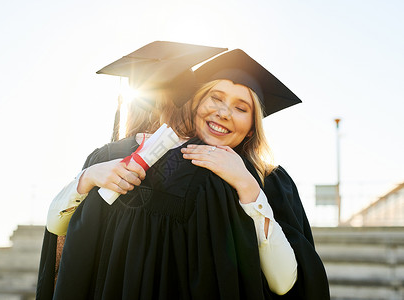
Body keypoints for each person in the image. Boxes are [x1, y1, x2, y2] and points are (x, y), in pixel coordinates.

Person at [37, 49, 330, 299]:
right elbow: (59, 233)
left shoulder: (270, 180)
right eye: (215, 98)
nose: (224, 112)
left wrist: (246, 186)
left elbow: (284, 283)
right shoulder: (118, 158)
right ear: (196, 103)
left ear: (252, 127)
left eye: (241, 107)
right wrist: (89, 176)